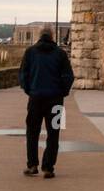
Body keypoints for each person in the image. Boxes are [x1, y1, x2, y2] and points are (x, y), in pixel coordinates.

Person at [18, 28, 73, 178]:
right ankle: (48, 167)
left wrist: (30, 90)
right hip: (56, 100)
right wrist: (63, 91)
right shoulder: (60, 54)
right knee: (54, 133)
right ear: (52, 36)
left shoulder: (30, 52)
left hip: (36, 99)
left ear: (40, 36)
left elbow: (23, 74)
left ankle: (32, 165)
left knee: (32, 132)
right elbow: (69, 76)